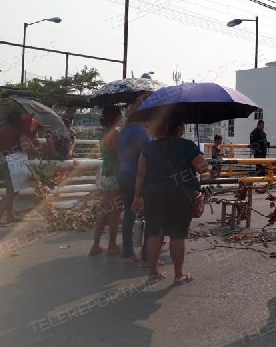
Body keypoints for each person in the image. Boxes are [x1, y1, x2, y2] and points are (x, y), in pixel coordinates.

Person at [132, 115, 208, 285]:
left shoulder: (149, 147)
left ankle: (153, 273)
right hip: (180, 195)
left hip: (153, 195)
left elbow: (140, 174)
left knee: (154, 233)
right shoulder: (188, 146)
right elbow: (202, 169)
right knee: (177, 234)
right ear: (179, 128)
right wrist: (200, 158)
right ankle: (178, 275)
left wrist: (137, 196)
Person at [118, 94, 152, 265]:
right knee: (150, 214)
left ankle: (128, 252)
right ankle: (147, 254)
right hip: (137, 176)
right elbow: (147, 156)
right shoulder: (141, 133)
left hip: (123, 173)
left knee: (129, 213)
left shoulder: (123, 132)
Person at [0, 112, 38, 225]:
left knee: (12, 191)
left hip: (3, 159)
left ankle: (10, 216)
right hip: (15, 160)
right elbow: (25, 145)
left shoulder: (2, 130)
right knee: (11, 192)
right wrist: (36, 151)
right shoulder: (20, 131)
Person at [89, 106, 123, 256]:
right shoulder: (114, 133)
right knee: (115, 212)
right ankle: (111, 245)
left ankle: (96, 245)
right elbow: (118, 155)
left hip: (107, 174)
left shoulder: (103, 133)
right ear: (115, 118)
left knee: (105, 211)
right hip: (115, 175)